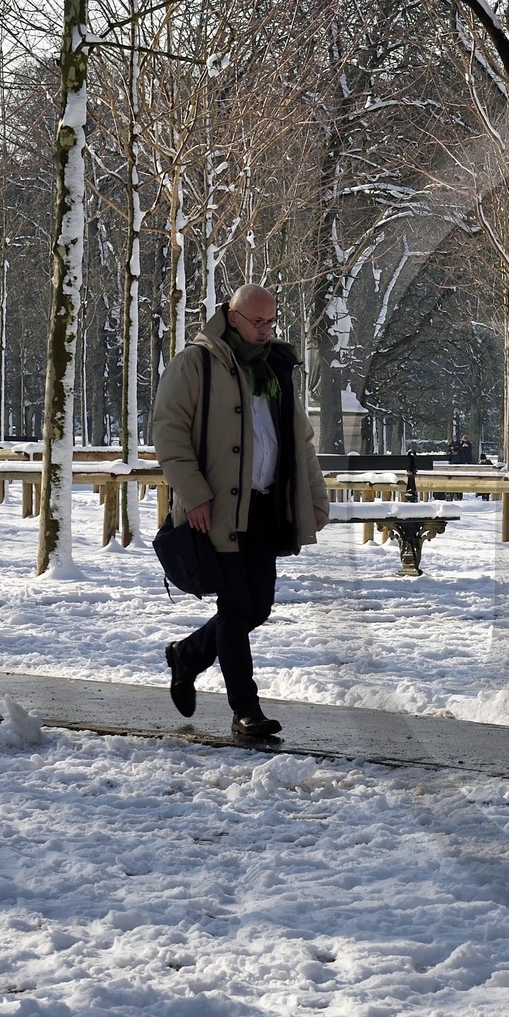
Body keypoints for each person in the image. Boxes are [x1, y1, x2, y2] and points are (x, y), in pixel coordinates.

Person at [151, 284, 330, 744]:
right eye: (258, 322)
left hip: (266, 507)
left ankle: (188, 655)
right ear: (233, 318)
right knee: (234, 608)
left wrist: (315, 498)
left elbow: (300, 442)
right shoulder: (196, 363)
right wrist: (194, 496)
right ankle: (245, 712)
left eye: (271, 321)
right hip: (219, 509)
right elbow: (169, 434)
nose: (266, 330)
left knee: (258, 606)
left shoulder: (276, 368)